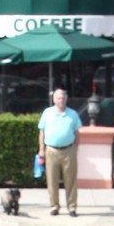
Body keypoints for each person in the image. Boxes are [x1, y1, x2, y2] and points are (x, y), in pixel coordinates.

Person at [38, 88, 82, 216]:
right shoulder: (47, 112)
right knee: (52, 180)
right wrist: (41, 150)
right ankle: (54, 206)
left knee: (71, 180)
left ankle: (72, 207)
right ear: (54, 99)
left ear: (66, 99)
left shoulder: (72, 114)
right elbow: (42, 132)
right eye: (58, 98)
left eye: (63, 98)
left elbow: (77, 133)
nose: (61, 100)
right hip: (51, 150)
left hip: (69, 150)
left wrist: (76, 148)